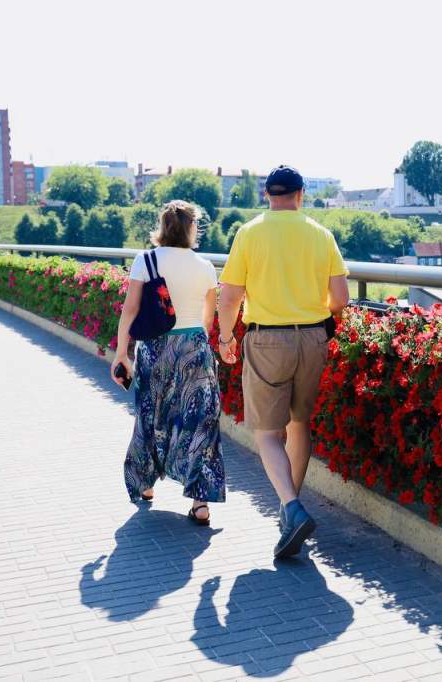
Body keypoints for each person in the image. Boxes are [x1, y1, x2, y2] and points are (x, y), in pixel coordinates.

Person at [217, 165, 349, 558]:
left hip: (267, 339)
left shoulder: (250, 233)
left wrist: (226, 337)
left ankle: (291, 508)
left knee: (267, 433)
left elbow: (229, 297)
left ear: (267, 195)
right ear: (300, 194)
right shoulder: (321, 234)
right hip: (312, 337)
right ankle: (290, 507)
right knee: (299, 423)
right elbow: (341, 299)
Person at [112, 200, 226, 525]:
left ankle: (145, 484)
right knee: (200, 421)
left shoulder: (145, 260)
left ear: (162, 228)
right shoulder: (205, 266)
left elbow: (130, 310)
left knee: (151, 414)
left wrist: (121, 354)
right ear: (192, 228)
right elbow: (208, 319)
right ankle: (201, 503)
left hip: (154, 348)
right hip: (195, 348)